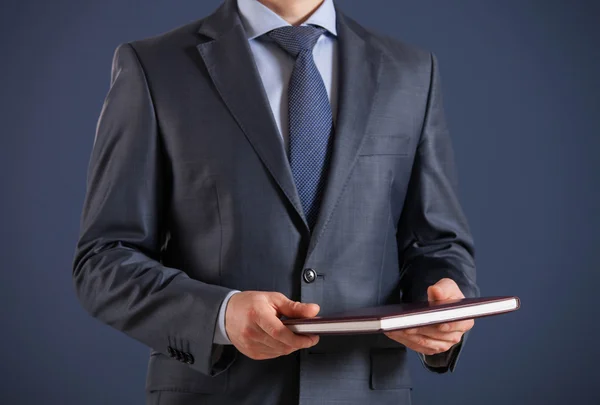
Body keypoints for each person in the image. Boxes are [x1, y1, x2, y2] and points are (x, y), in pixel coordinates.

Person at [72, 0, 479, 403]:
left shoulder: (411, 70)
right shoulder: (154, 66)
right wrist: (219, 316)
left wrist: (444, 304)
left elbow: (437, 244)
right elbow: (103, 259)